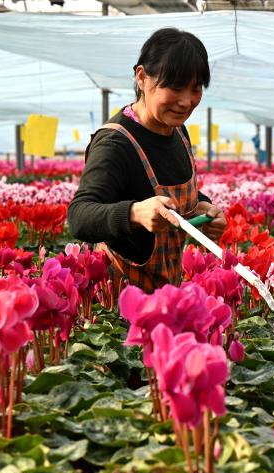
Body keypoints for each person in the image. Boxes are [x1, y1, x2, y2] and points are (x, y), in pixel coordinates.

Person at [68, 28, 225, 292]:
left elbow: (169, 188)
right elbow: (79, 215)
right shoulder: (115, 143)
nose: (186, 101)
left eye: (195, 88)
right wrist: (134, 213)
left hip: (166, 291)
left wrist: (202, 208)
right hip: (119, 299)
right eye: (175, 87)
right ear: (142, 77)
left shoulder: (178, 132)